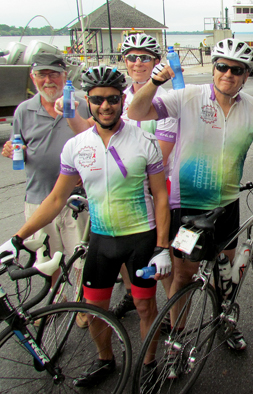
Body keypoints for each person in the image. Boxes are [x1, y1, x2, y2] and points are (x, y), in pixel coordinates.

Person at [0, 65, 172, 387]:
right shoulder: (76, 146)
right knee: (94, 311)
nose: (105, 106)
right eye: (97, 100)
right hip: (102, 240)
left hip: (142, 238)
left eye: (111, 99)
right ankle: (105, 360)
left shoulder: (144, 141)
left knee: (145, 306)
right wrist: (17, 239)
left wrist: (162, 247)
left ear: (122, 100)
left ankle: (149, 364)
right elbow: (55, 200)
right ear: (88, 102)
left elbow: (161, 197)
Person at [127, 38, 253, 352]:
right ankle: (177, 339)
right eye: (222, 66)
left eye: (237, 70)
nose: (228, 74)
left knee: (225, 273)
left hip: (226, 207)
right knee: (183, 275)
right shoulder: (188, 96)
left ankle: (226, 323)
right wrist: (156, 81)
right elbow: (137, 111)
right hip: (188, 209)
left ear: (246, 75)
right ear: (213, 69)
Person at [56, 33, 178, 320]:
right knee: (129, 265)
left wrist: (119, 173)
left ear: (157, 63)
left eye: (145, 58)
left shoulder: (166, 99)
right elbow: (91, 130)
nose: (138, 63)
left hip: (155, 190)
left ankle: (176, 326)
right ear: (125, 61)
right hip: (122, 193)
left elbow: (161, 154)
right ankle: (134, 298)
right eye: (132, 57)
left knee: (165, 265)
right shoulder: (119, 95)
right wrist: (70, 114)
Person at [1, 53, 89, 294]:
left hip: (75, 199)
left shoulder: (82, 103)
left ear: (64, 76)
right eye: (41, 75)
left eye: (53, 74)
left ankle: (82, 309)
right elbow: (18, 144)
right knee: (47, 262)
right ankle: (54, 307)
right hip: (38, 198)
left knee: (81, 260)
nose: (48, 80)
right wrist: (11, 149)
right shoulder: (23, 110)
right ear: (33, 77)